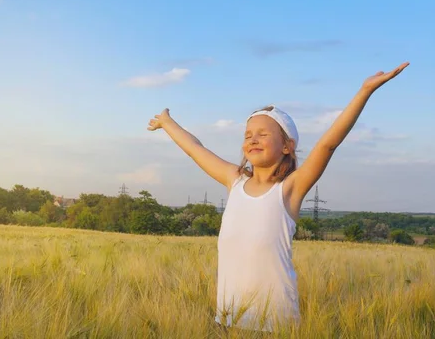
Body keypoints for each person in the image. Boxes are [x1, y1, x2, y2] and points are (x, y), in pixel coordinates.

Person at [147, 61, 410, 333]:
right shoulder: (234, 181)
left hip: (274, 326)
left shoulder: (289, 189)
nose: (252, 139)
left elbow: (328, 144)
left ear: (287, 146)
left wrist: (365, 91)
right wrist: (168, 123)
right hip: (226, 321)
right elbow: (194, 149)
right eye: (248, 135)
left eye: (263, 134)